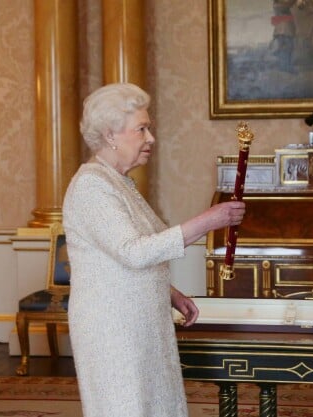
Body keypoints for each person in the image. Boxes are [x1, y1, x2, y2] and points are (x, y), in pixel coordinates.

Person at [62, 83, 245, 417]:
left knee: (155, 406)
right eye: (141, 129)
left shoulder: (121, 183)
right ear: (110, 135)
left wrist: (170, 293)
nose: (151, 139)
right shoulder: (92, 185)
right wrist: (208, 221)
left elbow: (127, 254)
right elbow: (134, 252)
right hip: (113, 328)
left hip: (140, 322)